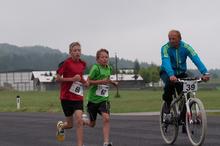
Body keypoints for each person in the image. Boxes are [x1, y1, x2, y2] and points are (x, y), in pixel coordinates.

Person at [160, 30, 210, 132]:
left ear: (180, 38)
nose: (171, 41)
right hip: (167, 72)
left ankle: (184, 120)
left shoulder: (186, 47)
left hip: (181, 73)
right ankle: (167, 105)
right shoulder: (165, 48)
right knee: (169, 85)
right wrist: (171, 74)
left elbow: (195, 58)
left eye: (173, 38)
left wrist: (204, 72)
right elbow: (166, 61)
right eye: (169, 38)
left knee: (186, 95)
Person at [55, 42, 88, 146]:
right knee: (69, 125)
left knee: (79, 120)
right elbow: (58, 79)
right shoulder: (66, 63)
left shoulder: (83, 64)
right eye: (75, 50)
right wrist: (72, 79)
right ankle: (61, 126)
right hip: (66, 97)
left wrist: (84, 82)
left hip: (78, 97)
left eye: (79, 50)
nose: (77, 52)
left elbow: (80, 76)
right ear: (70, 52)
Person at [85, 48, 118, 146]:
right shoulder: (95, 68)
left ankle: (106, 143)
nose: (105, 59)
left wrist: (113, 82)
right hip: (93, 100)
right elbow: (88, 81)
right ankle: (83, 121)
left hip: (104, 99)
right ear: (97, 59)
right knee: (92, 124)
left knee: (106, 118)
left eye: (106, 57)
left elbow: (106, 79)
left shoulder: (109, 68)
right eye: (102, 57)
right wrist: (100, 82)